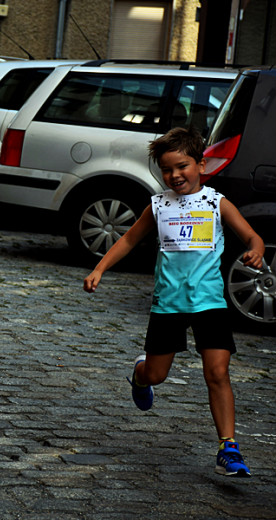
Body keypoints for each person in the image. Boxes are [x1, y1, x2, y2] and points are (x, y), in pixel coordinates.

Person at [83, 126, 265, 477]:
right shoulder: (158, 205)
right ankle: (140, 375)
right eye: (167, 169)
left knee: (218, 372)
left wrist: (256, 250)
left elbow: (251, 236)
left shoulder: (216, 203)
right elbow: (129, 240)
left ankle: (228, 447)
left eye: (182, 166)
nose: (175, 175)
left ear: (201, 163)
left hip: (210, 302)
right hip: (168, 304)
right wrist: (100, 268)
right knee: (157, 374)